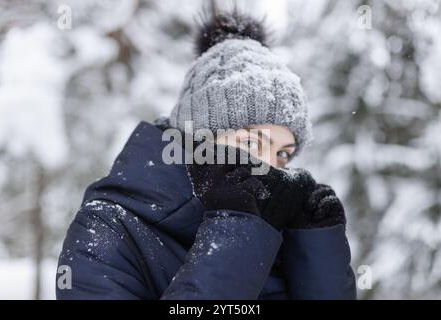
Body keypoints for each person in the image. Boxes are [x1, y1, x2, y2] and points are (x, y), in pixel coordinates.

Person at [56, 8, 357, 300]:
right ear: (195, 139)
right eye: (251, 144)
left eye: (283, 154)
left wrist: (317, 254)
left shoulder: (280, 230)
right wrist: (236, 232)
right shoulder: (107, 230)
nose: (269, 167)